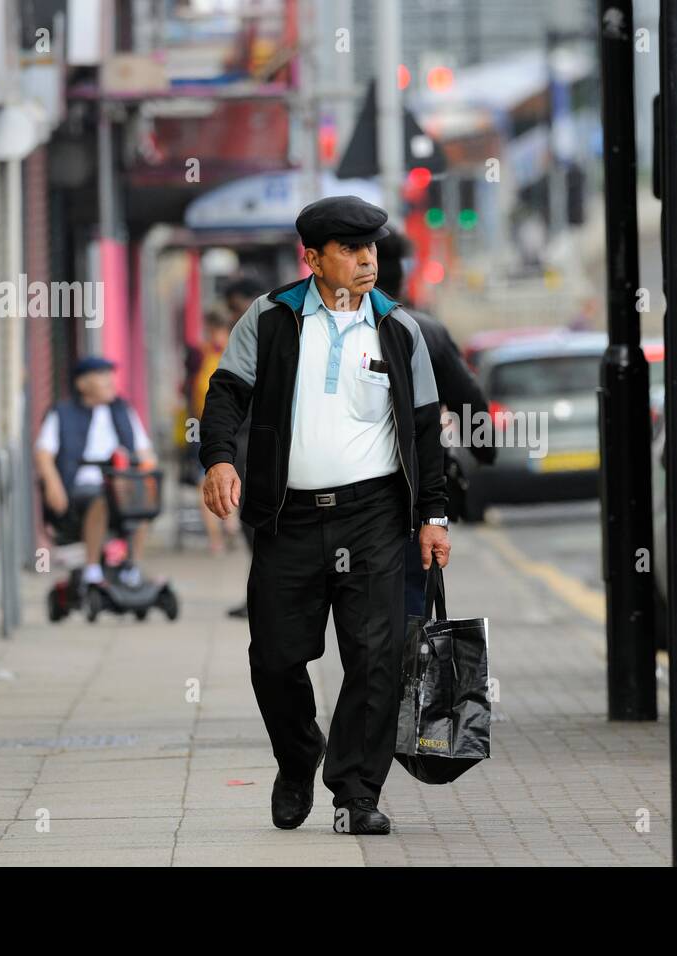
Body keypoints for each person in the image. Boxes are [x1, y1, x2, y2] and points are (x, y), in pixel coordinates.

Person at [198, 195, 450, 836]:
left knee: (377, 657)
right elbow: (226, 393)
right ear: (311, 258)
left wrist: (433, 516)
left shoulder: (398, 330)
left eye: (371, 248)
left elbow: (424, 431)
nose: (367, 260)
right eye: (349, 249)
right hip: (287, 518)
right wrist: (220, 460)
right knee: (276, 658)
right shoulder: (273, 318)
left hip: (374, 517)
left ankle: (357, 792)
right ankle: (297, 754)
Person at [374, 226, 496, 617]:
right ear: (403, 275)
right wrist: (484, 449)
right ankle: (404, 674)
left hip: (346, 503)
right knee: (411, 606)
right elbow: (469, 402)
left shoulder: (330, 332)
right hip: (413, 498)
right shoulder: (426, 330)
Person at [35, 357, 158, 589]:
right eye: (102, 376)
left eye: (110, 375)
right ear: (82, 384)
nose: (110, 382)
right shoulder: (62, 413)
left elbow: (144, 450)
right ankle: (92, 569)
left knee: (141, 498)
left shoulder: (122, 410)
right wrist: (53, 484)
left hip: (120, 483)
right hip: (80, 487)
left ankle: (132, 566)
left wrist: (147, 469)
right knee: (100, 497)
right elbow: (43, 453)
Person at [219, 276, 268, 619]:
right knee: (253, 524)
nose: (234, 315)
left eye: (237, 307)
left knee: (259, 523)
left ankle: (267, 598)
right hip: (247, 441)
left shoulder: (264, 332)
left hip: (257, 442)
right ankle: (261, 597)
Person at [193, 306, 243, 555]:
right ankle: (223, 532)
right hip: (204, 428)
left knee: (215, 480)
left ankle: (228, 526)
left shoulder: (233, 352)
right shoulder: (203, 354)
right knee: (208, 481)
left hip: (223, 428)